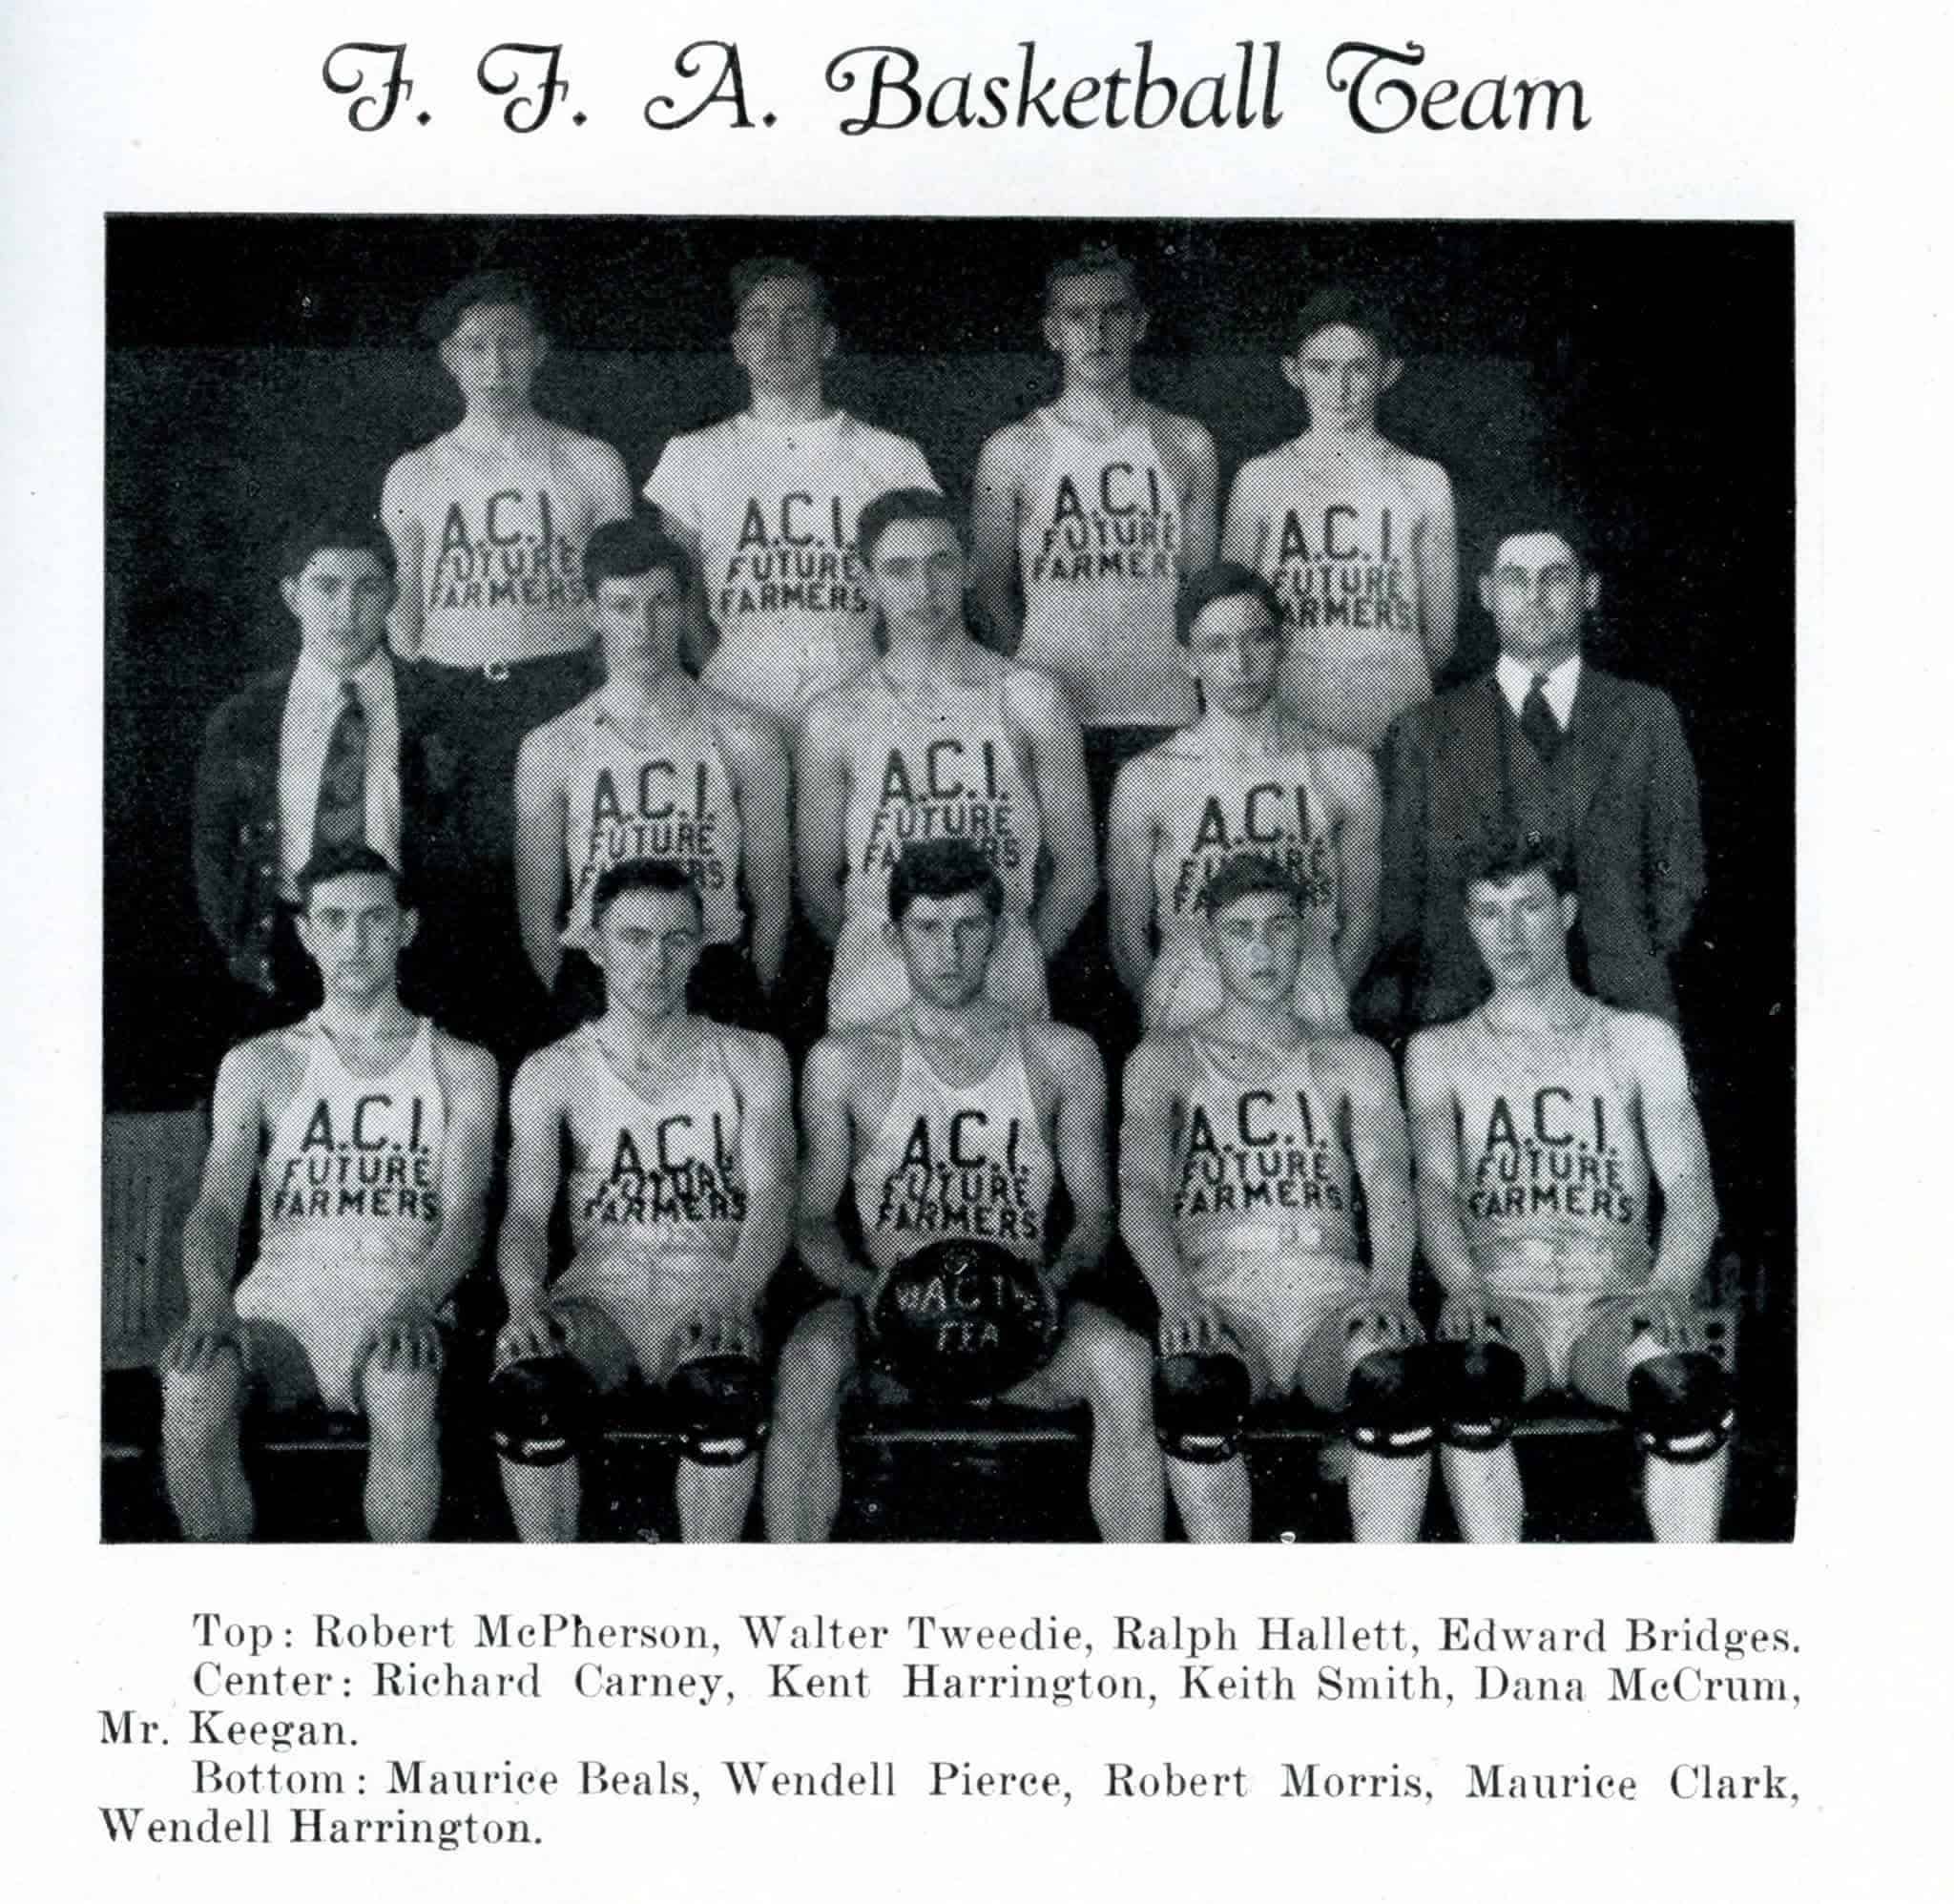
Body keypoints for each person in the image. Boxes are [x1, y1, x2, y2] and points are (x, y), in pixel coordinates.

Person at [765, 840, 1162, 1543]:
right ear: (894, 935)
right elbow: (813, 1218)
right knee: (807, 1361)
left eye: (968, 927)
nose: (948, 951)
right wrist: (865, 1287)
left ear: (1000, 931)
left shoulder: (1061, 1054)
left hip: (1024, 1317)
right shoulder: (845, 1060)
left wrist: (1055, 1280)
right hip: (891, 1321)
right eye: (927, 928)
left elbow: (1097, 1212)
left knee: (1124, 1362)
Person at [160, 846, 499, 1542]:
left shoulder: (462, 1065)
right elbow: (216, 1207)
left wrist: (415, 1301)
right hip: (282, 1308)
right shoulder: (257, 1063)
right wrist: (209, 1303)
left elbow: (465, 1216)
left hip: (401, 1298)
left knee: (403, 1386)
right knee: (194, 1389)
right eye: (334, 920)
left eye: (374, 919)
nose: (355, 940)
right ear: (307, 933)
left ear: (406, 927)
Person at [1403, 838, 1732, 1542]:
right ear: (1470, 923)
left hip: (1614, 1299)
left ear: (1568, 911)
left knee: (1683, 1386)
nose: (1510, 931)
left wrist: (1669, 1286)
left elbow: (1689, 1187)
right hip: (1506, 1300)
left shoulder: (1640, 1040)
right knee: (1471, 1377)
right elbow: (1434, 1187)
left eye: (1529, 907)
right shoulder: (1439, 1051)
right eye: (1489, 912)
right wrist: (1462, 1284)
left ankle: (1696, 1593)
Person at [1120, 853, 1432, 1542]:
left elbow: (1388, 1182)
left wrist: (1387, 1286)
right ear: (1210, 943)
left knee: (1391, 1375)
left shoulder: (1354, 1059)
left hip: (1330, 1294)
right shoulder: (1164, 1059)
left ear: (1305, 936)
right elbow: (1140, 1193)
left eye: (1279, 927)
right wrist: (1177, 1297)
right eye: (1241, 931)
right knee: (1194, 1384)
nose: (1262, 949)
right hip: (1223, 1295)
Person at [493, 859, 796, 1542]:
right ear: (596, 945)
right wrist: (525, 1301)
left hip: (712, 1291)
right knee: (530, 1386)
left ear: (701, 945)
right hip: (601, 1298)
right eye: (634, 938)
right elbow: (526, 1214)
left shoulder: (752, 1058)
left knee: (723, 1390)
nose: (655, 961)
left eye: (676, 939)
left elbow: (773, 1192)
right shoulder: (552, 1070)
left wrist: (737, 1297)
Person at [381, 271, 635, 1054]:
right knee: (465, 900)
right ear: (450, 359)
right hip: (457, 702)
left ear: (540, 352)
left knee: (566, 888)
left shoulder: (589, 462)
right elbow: (405, 615)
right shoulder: (417, 472)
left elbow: (618, 595)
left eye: (512, 345)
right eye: (476, 346)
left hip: (559, 691)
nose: (495, 364)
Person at [1370, 510, 1705, 1035]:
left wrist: (1626, 960)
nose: (1534, 596)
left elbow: (1679, 873)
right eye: (1515, 579)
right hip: (1466, 1017)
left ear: (1589, 592)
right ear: (1486, 594)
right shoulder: (1424, 731)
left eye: (1554, 577)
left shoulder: (1646, 715)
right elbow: (1400, 896)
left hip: (1621, 1009)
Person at [797, 488, 1095, 1029]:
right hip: (880, 976)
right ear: (867, 582)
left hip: (1001, 965)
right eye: (899, 570)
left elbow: (1076, 874)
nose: (924, 588)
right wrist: (892, 958)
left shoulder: (1030, 697)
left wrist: (1016, 956)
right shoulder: (835, 715)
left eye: (941, 564)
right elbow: (818, 886)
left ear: (969, 569)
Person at [514, 517, 791, 1035]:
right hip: (598, 977)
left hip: (710, 968)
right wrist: (577, 1009)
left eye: (661, 603)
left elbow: (772, 904)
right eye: (623, 607)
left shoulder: (746, 735)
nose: (644, 626)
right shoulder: (552, 745)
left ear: (685, 608)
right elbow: (537, 913)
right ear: (593, 614)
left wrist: (746, 999)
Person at [192, 513, 467, 1031]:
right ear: (293, 596)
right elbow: (213, 852)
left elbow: (464, 849)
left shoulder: (439, 708)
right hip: (284, 950)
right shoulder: (245, 719)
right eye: (327, 587)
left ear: (393, 595)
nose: (348, 610)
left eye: (368, 588)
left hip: (406, 953)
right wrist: (245, 943)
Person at [642, 257, 939, 729]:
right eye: (758, 321)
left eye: (796, 319)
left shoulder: (891, 455)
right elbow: (683, 594)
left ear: (827, 340)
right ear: (739, 346)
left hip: (860, 694)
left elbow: (914, 591)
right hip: (737, 697)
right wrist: (719, 676)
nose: (777, 338)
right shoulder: (691, 456)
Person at [1108, 564, 1382, 1034]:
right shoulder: (1146, 778)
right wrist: (1166, 1024)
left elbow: (1363, 920)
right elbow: (1126, 935)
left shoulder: (1345, 768)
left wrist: (1325, 1002)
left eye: (1257, 639)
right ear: (1189, 660)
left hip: (1308, 1000)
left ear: (1284, 643)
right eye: (1216, 646)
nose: (1240, 663)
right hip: (1189, 1002)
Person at [1222, 284, 1457, 752]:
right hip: (1289, 723)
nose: (1340, 387)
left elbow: (1439, 637)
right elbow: (1231, 614)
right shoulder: (1260, 477)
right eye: (1322, 368)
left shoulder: (1424, 479)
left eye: (1358, 368)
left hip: (1396, 719)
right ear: (1293, 372)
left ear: (1388, 373)